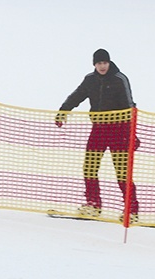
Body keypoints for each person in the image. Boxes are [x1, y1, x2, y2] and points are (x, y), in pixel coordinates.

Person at [55, 49, 139, 221]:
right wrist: (63, 111)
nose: (102, 66)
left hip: (119, 130)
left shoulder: (119, 79)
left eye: (104, 63)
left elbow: (129, 106)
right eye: (99, 63)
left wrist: (131, 134)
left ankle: (131, 210)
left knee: (122, 172)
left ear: (109, 63)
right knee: (89, 167)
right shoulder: (90, 80)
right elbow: (77, 96)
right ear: (94, 64)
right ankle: (93, 204)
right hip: (99, 129)